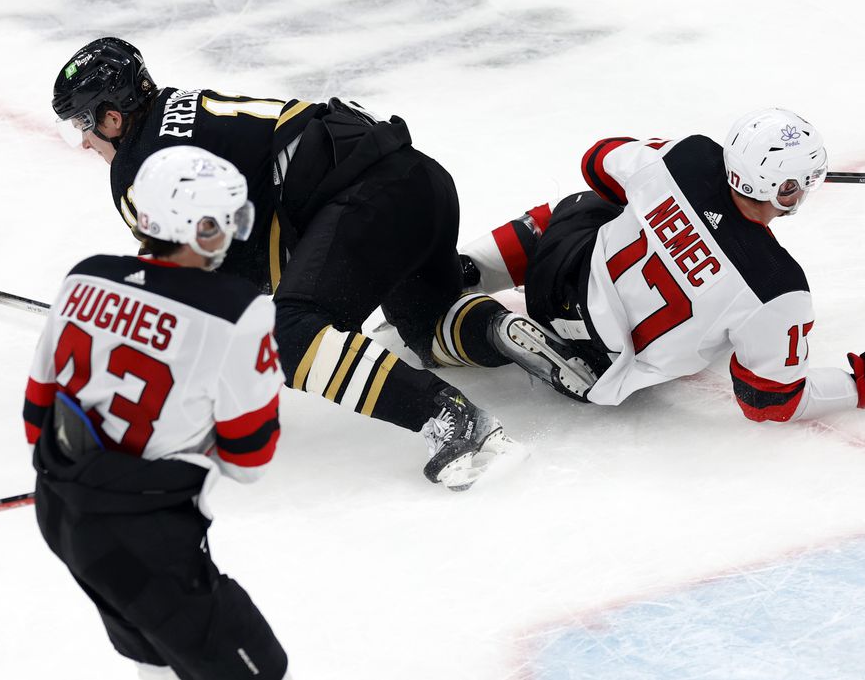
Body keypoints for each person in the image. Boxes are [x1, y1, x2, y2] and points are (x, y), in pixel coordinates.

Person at [50, 36, 561, 489]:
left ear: (113, 117)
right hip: (418, 184)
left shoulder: (142, 169)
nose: (85, 141)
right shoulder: (185, 111)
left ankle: (453, 419)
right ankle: (497, 327)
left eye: (84, 125)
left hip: (366, 208)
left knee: (288, 338)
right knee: (427, 329)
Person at [433, 108, 865, 421]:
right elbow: (768, 400)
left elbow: (599, 160)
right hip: (605, 362)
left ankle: (470, 270)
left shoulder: (688, 158)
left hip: (561, 277)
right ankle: (521, 335)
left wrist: (672, 171)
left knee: (587, 205)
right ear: (789, 193)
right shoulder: (778, 289)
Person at [24, 146, 291, 680]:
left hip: (60, 512)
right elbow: (249, 459)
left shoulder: (85, 277)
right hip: (145, 538)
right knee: (258, 670)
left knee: (160, 651)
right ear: (203, 226)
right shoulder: (238, 310)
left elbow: (37, 415)